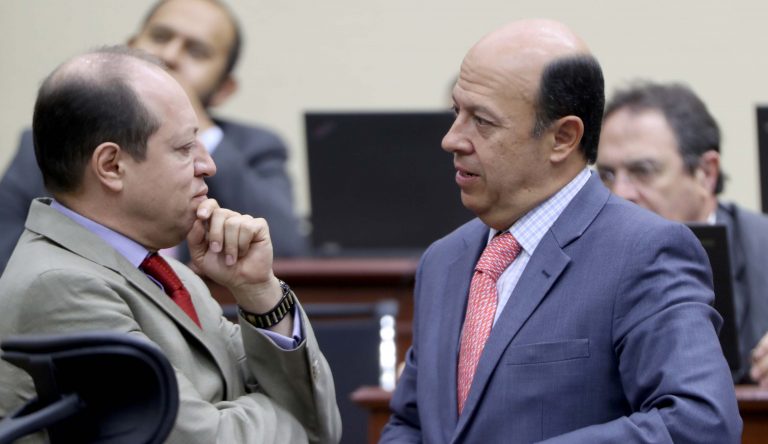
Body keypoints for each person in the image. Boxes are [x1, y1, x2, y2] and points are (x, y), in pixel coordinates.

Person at [379, 19, 741, 443]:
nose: (452, 139)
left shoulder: (644, 252)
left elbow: (699, 422)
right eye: (456, 113)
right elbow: (410, 423)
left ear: (563, 138)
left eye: (483, 121)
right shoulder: (443, 261)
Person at [0, 46, 340, 443]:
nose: (208, 165)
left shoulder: (171, 274)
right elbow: (211, 440)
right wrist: (293, 415)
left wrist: (258, 291)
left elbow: (324, 424)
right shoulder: (59, 285)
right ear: (111, 166)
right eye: (184, 148)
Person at [0, 0, 308, 275]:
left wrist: (194, 128)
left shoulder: (256, 148)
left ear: (224, 88)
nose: (170, 56)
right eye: (160, 37)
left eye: (197, 52)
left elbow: (287, 250)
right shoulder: (54, 142)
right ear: (130, 48)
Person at [596, 82, 768, 386]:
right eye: (607, 175)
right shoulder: (583, 254)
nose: (619, 193)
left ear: (706, 173)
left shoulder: (761, 244)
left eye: (643, 170)